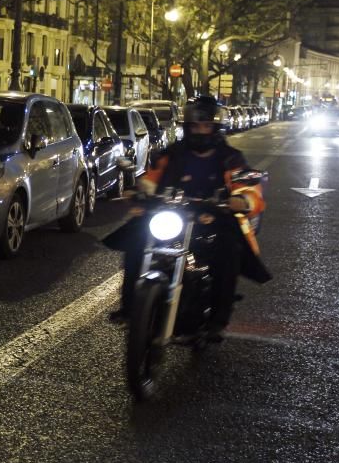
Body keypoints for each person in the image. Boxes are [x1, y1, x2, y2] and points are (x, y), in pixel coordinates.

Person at [104, 95, 271, 338]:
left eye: (206, 126)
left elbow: (245, 185)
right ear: (187, 127)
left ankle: (217, 320)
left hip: (213, 217)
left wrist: (242, 199)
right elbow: (153, 177)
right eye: (195, 125)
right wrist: (141, 190)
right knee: (136, 241)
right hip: (174, 214)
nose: (200, 131)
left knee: (229, 252)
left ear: (215, 128)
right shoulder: (173, 153)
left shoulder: (230, 157)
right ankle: (130, 307)